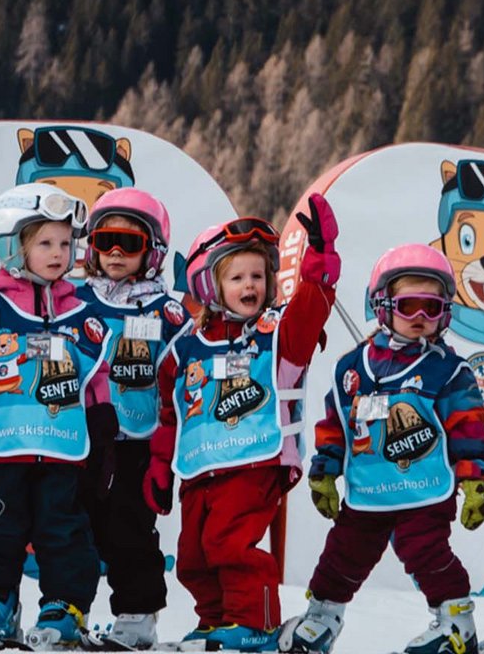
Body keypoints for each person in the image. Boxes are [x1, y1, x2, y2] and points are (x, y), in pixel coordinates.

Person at [280, 244, 484, 654]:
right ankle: (322, 617)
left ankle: (456, 624)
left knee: (426, 551)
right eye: (409, 305)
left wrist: (475, 476)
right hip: (368, 489)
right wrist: (325, 470)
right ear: (382, 305)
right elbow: (336, 424)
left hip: (423, 488)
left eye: (431, 308)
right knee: (342, 554)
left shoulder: (449, 371)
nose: (419, 318)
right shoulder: (352, 369)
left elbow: (467, 427)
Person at [146, 198, 340, 651]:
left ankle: (254, 622)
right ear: (210, 287)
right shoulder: (185, 349)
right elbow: (171, 411)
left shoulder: (277, 335)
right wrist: (159, 464)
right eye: (237, 277)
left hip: (254, 462)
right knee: (194, 555)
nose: (250, 285)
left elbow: (311, 313)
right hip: (200, 469)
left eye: (258, 276)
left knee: (230, 544)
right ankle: (216, 621)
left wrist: (321, 263)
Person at [0, 183, 117, 649]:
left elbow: (94, 377)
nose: (59, 253)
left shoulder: (81, 313)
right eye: (45, 243)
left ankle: (64, 606)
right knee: (0, 528)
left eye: (64, 243)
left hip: (62, 452)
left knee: (64, 530)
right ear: (11, 247)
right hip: (4, 450)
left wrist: (102, 433)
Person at [74, 189, 187, 651]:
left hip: (138, 441)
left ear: (153, 251)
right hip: (80, 438)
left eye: (129, 242)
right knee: (74, 525)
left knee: (129, 527)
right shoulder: (73, 300)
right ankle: (67, 609)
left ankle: (137, 616)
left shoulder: (166, 311)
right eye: (105, 240)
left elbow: (185, 373)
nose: (116, 253)